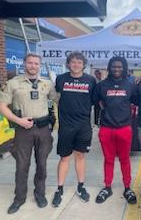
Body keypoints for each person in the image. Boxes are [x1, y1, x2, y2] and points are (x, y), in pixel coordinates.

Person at [0, 53, 57, 214]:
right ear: (24, 63)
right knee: (22, 165)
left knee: (42, 165)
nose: (33, 66)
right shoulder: (13, 83)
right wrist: (18, 121)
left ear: (40, 65)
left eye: (36, 63)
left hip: (43, 129)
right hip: (23, 129)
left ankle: (40, 194)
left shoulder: (47, 84)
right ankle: (19, 198)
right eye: (30, 63)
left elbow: (59, 99)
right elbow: (1, 106)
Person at [52, 52, 96, 207]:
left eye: (79, 62)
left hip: (83, 125)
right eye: (73, 62)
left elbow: (92, 101)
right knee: (64, 158)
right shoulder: (61, 79)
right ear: (68, 64)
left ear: (84, 64)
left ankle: (81, 186)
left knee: (80, 157)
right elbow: (56, 98)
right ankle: (59, 189)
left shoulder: (91, 80)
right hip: (66, 126)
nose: (76, 64)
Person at [95, 56, 137, 204]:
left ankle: (127, 187)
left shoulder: (130, 85)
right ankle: (107, 187)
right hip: (106, 128)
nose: (117, 69)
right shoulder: (102, 85)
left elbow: (136, 101)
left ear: (124, 68)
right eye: (114, 66)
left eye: (120, 67)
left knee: (125, 159)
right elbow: (96, 102)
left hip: (124, 128)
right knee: (109, 159)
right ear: (109, 68)